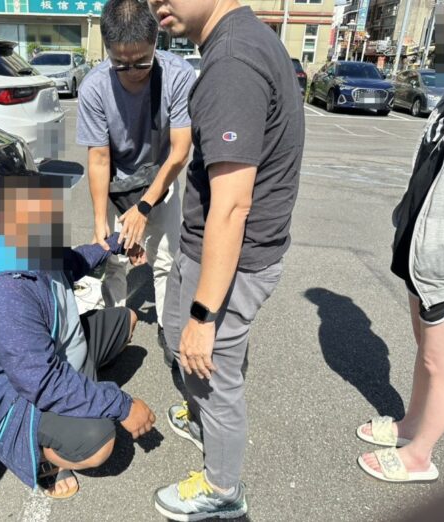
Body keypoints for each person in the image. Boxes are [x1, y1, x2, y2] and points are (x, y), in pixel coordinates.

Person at [146, 0, 305, 519]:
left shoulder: (233, 59)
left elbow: (233, 206)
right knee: (184, 347)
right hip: (211, 250)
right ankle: (202, 423)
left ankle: (221, 489)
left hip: (233, 260)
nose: (155, 4)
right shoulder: (240, 40)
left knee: (210, 374)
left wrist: (204, 315)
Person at [356, 0, 444, 484]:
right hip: (423, 246)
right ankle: (412, 425)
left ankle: (421, 456)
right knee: (424, 349)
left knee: (442, 360)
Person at [0, 175, 156, 499]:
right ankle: (43, 461)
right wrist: (122, 405)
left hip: (61, 351)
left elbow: (76, 261)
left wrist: (118, 242)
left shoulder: (33, 248)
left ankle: (82, 390)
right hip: (23, 400)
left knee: (128, 319)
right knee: (98, 440)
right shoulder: (6, 294)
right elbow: (42, 382)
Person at [76, 0, 196, 364]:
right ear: (107, 49)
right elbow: (99, 159)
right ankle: (114, 329)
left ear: (156, 40)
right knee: (113, 260)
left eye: (141, 61)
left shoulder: (178, 75)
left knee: (166, 259)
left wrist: (144, 207)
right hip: (116, 185)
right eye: (120, 63)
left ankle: (169, 330)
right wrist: (100, 220)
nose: (131, 72)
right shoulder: (95, 87)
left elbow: (180, 152)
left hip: (162, 176)